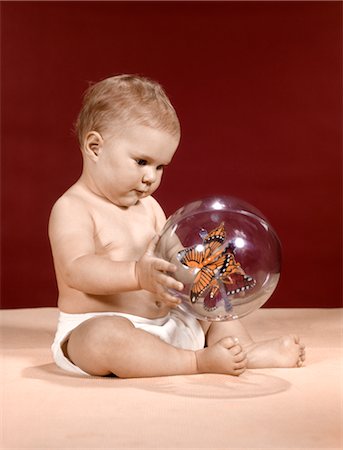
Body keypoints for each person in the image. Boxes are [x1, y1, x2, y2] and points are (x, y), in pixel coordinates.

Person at [49, 74, 305, 377]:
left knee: (214, 307)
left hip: (170, 324)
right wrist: (136, 274)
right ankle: (196, 362)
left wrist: (205, 270)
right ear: (94, 147)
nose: (151, 177)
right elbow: (76, 270)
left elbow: (177, 259)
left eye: (160, 166)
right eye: (141, 161)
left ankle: (241, 352)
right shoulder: (73, 208)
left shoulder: (151, 208)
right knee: (102, 338)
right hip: (104, 324)